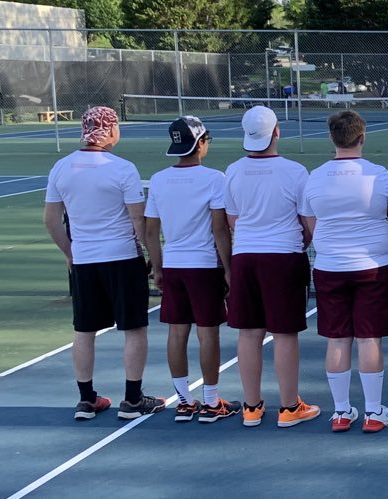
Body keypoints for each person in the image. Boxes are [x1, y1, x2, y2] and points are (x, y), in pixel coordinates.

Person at [44, 106, 165, 421]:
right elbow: (138, 218)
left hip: (85, 262)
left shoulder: (61, 167)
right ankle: (133, 399)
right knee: (134, 328)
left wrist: (71, 252)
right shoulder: (122, 168)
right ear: (110, 131)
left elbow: (51, 221)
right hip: (123, 258)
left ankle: (86, 399)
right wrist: (151, 254)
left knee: (84, 330)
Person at [301, 110, 388, 433]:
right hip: (373, 269)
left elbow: (311, 227)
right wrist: (381, 249)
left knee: (337, 339)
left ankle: (341, 413)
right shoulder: (381, 176)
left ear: (332, 139)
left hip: (330, 269)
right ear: (362, 138)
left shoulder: (314, 178)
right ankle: (374, 413)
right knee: (368, 337)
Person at [225, 105, 321, 428]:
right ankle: (290, 407)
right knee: (284, 334)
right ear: (277, 132)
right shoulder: (296, 172)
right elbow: (310, 224)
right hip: (284, 258)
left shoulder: (233, 171)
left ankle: (251, 408)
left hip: (245, 259)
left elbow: (233, 220)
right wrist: (300, 242)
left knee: (249, 333)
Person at [145, 116, 240, 424]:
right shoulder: (215, 178)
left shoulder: (159, 179)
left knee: (177, 331)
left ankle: (185, 402)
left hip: (173, 266)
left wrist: (157, 267)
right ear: (200, 143)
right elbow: (220, 230)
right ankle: (211, 403)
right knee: (207, 333)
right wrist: (228, 268)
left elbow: (150, 231)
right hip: (204, 268)